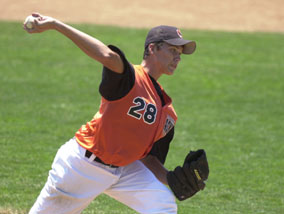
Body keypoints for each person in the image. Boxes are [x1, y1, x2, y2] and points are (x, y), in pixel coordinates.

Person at [24, 13, 209, 214]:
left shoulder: (167, 111)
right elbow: (106, 56)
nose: (178, 57)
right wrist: (55, 25)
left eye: (180, 52)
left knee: (163, 204)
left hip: (123, 172)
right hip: (83, 166)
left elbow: (147, 158)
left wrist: (171, 178)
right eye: (173, 49)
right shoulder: (129, 77)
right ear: (152, 48)